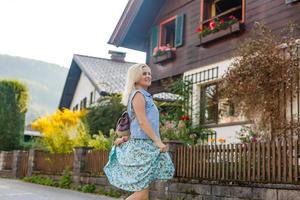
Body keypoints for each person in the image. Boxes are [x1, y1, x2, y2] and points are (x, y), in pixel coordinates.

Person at [103, 63, 175, 200]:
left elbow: (136, 124)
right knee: (141, 193)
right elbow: (142, 121)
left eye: (149, 73)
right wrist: (158, 141)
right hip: (141, 148)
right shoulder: (138, 95)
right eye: (144, 74)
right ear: (135, 77)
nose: (148, 76)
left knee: (144, 194)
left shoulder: (145, 96)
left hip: (144, 145)